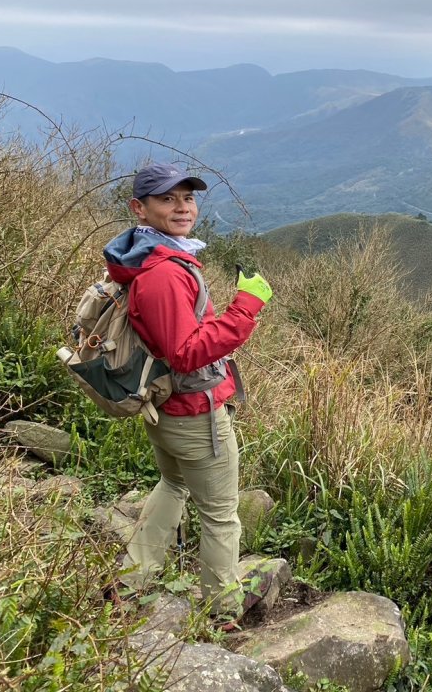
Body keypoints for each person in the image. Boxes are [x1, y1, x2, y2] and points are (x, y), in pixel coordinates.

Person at [102, 162, 273, 628]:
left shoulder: (150, 257)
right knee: (221, 516)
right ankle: (223, 612)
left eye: (188, 197)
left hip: (167, 407)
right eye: (167, 198)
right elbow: (186, 353)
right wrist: (247, 306)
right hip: (194, 411)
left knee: (174, 483)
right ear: (140, 207)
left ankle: (130, 583)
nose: (182, 207)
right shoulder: (164, 274)